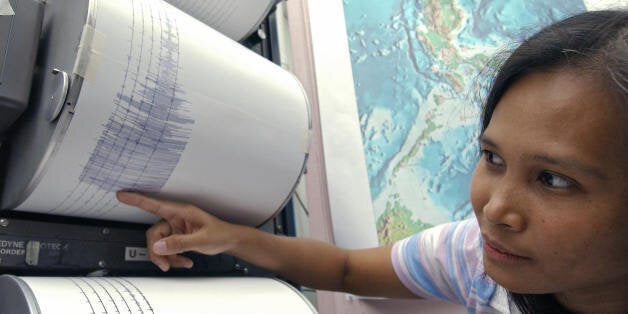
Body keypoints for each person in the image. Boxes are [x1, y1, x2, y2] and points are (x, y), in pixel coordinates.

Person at [117, 9, 628, 314]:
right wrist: (229, 236)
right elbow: (345, 268)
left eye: (553, 179)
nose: (494, 211)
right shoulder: (478, 261)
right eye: (492, 157)